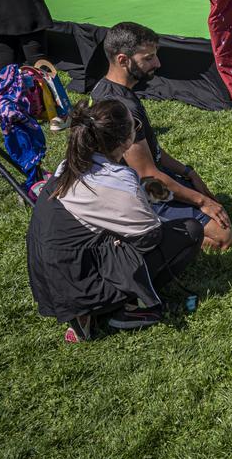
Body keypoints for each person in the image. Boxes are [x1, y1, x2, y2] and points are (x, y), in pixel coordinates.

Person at [26, 100, 205, 342]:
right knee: (190, 232)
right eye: (135, 126)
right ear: (125, 141)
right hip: (82, 283)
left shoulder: (70, 164)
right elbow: (150, 234)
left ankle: (83, 314)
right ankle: (126, 307)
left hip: (50, 284)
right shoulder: (117, 178)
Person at [89, 22, 232, 247]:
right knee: (222, 237)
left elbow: (149, 150)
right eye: (148, 58)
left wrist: (187, 172)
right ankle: (151, 230)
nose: (157, 63)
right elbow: (147, 176)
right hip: (138, 190)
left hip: (142, 178)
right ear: (122, 60)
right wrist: (202, 202)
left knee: (213, 203)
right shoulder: (120, 108)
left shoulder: (108, 88)